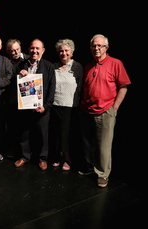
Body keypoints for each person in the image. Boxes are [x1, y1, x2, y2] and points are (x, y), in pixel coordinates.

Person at [79, 34, 131, 188]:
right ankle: (90, 169)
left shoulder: (115, 63)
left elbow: (124, 86)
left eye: (100, 46)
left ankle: (102, 174)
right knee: (88, 144)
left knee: (103, 146)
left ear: (106, 48)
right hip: (86, 110)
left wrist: (114, 108)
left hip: (105, 111)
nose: (96, 48)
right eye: (94, 46)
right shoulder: (87, 66)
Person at [14, 39, 56, 170]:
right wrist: (19, 75)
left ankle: (42, 158)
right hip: (25, 106)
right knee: (24, 133)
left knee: (42, 135)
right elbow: (14, 84)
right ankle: (24, 156)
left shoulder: (48, 66)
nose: (35, 51)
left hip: (42, 107)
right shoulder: (22, 64)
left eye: (38, 48)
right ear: (29, 50)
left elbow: (51, 88)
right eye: (32, 48)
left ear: (43, 51)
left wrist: (46, 106)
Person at [49, 39, 83, 171]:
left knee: (66, 135)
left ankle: (67, 158)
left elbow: (81, 87)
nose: (64, 53)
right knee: (55, 133)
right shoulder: (53, 67)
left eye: (66, 51)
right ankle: (56, 156)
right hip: (55, 105)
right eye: (61, 51)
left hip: (70, 106)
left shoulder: (77, 67)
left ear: (72, 52)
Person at [5, 39, 30, 158]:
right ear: (8, 52)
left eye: (17, 49)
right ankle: (12, 150)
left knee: (25, 128)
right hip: (12, 99)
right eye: (12, 50)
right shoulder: (6, 61)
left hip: (27, 99)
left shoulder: (28, 60)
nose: (16, 52)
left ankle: (25, 153)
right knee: (12, 127)